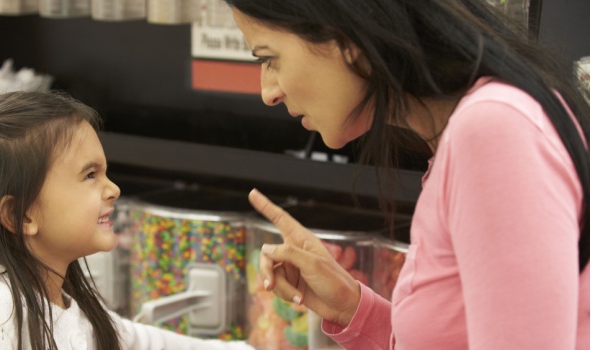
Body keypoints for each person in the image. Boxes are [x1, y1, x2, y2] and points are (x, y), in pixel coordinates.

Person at [223, 0, 590, 349]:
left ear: (344, 36)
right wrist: (352, 309)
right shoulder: (475, 131)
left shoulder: (493, 132)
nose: (267, 92)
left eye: (269, 58)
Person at [0, 90, 255, 350]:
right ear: (21, 215)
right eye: (90, 175)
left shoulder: (73, 309)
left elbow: (152, 345)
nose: (113, 189)